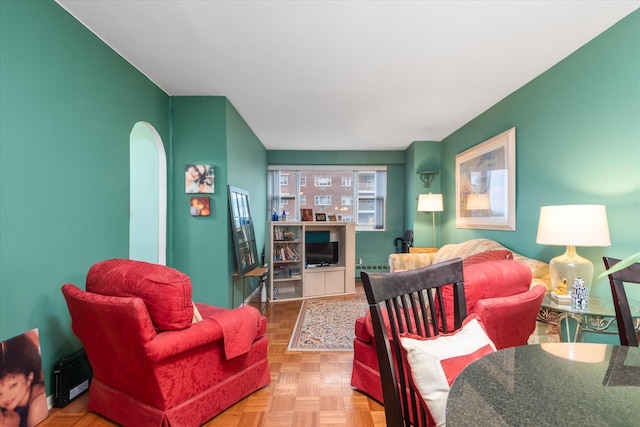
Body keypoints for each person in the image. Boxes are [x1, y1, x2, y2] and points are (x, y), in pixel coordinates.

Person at [0, 331, 48, 427]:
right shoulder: (12, 410)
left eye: (13, 385)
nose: (6, 397)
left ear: (29, 376)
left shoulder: (38, 405)